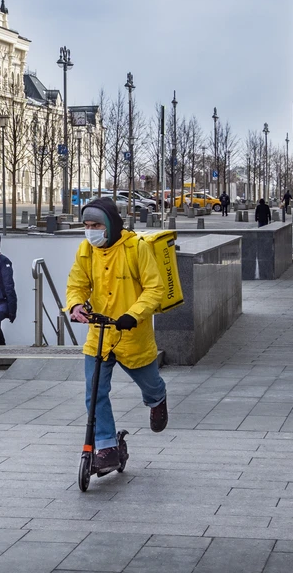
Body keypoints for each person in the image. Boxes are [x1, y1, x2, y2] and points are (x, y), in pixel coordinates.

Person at [66, 197, 168, 474]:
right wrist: (75, 305)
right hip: (99, 334)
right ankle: (106, 445)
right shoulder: (86, 249)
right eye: (87, 225)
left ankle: (158, 399)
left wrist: (133, 314)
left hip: (131, 334)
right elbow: (77, 283)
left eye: (96, 224)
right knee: (95, 392)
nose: (91, 231)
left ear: (111, 224)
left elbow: (154, 288)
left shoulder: (137, 248)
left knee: (150, 384)